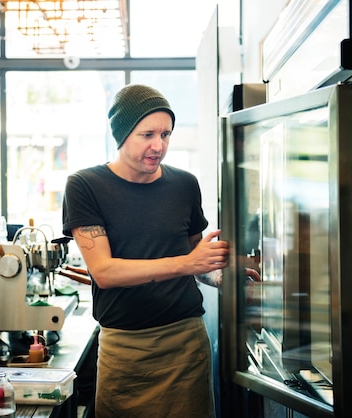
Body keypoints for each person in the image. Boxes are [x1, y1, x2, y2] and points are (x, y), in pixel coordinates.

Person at [62, 84, 229, 418]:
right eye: (147, 134)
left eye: (166, 134)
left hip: (185, 345)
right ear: (122, 134)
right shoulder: (85, 186)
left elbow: (197, 259)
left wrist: (223, 273)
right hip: (125, 351)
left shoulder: (184, 184)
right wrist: (187, 263)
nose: (159, 146)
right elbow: (105, 273)